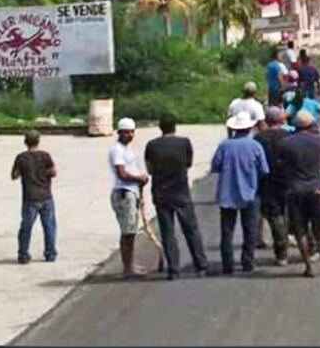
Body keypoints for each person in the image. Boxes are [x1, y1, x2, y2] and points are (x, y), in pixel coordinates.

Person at [143, 114, 208, 279]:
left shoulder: (152, 146)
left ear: (160, 127)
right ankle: (201, 265)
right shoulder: (184, 143)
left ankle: (173, 269)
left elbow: (149, 169)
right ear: (175, 127)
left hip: (161, 192)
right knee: (191, 230)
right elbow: (188, 163)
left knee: (168, 232)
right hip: (181, 191)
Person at [279, 109, 320, 276]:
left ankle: (308, 266)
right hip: (316, 189)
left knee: (300, 231)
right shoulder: (319, 140)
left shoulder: (285, 143)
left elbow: (281, 163)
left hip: (295, 190)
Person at [211, 113, 270, 274]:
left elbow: (215, 166)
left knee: (227, 231)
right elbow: (264, 170)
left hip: (227, 193)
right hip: (250, 192)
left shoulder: (224, 145)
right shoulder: (255, 146)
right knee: (250, 230)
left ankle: (227, 264)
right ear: (249, 128)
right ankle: (247, 262)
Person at [108, 118, 150, 278]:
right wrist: (139, 179)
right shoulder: (117, 150)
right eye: (126, 132)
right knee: (127, 233)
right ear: (119, 132)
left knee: (131, 231)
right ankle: (127, 268)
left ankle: (130, 264)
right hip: (124, 193)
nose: (130, 135)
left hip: (132, 192)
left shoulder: (128, 149)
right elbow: (122, 174)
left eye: (132, 132)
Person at [12, 129, 57, 264]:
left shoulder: (21, 158)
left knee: (26, 227)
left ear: (25, 142)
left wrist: (25, 171)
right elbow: (54, 172)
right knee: (49, 226)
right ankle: (50, 254)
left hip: (30, 197)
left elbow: (14, 175)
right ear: (38, 141)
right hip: (46, 196)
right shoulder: (45, 156)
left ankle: (23, 255)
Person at [253, 107, 291, 266]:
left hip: (266, 181)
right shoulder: (288, 136)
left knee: (275, 216)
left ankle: (281, 252)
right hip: (287, 180)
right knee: (290, 212)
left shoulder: (258, 138)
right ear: (281, 119)